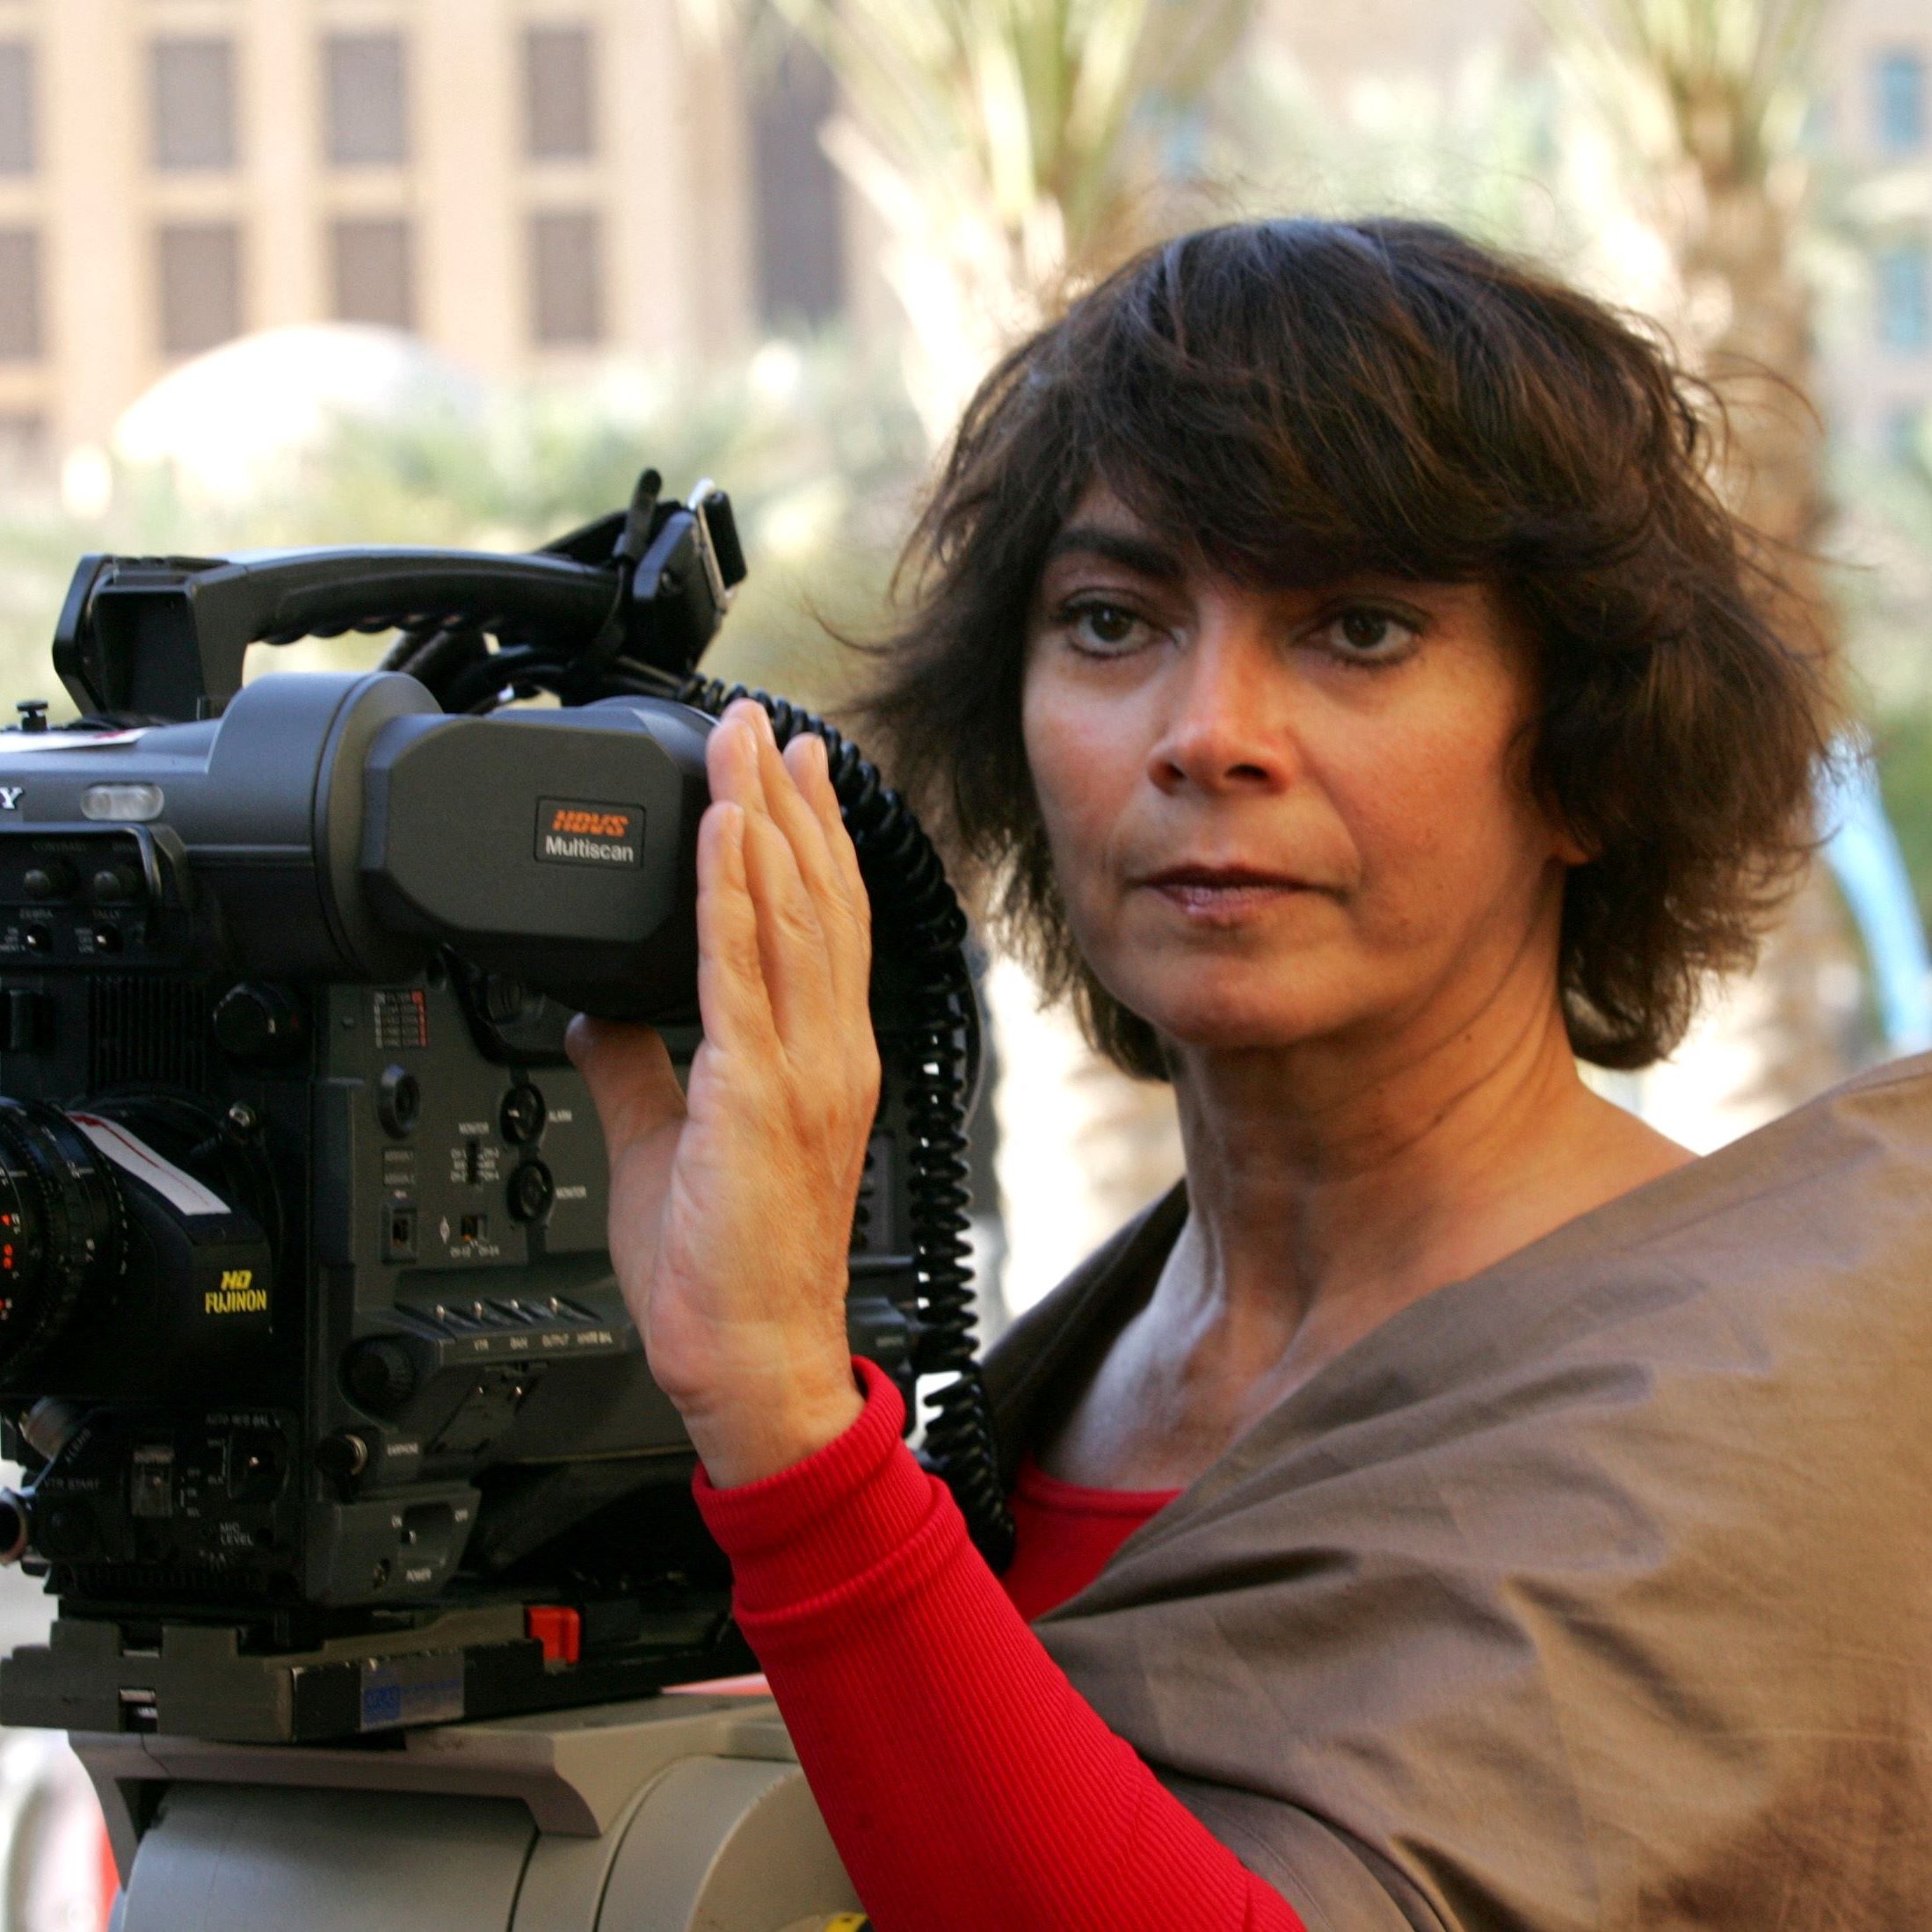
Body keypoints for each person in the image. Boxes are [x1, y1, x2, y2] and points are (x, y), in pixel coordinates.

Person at [567, 220, 1932, 1929]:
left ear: (1584, 754)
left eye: (1357, 630)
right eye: (1110, 619)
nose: (1205, 728)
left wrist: (784, 1422)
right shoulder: (1040, 1397)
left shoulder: (1743, 1391)